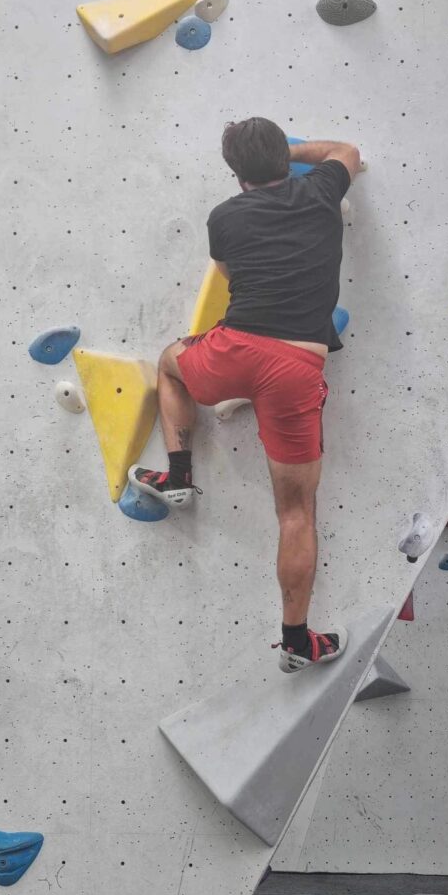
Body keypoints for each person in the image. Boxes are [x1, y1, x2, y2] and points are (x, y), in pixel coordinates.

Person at [129, 117, 362, 673]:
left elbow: (232, 274)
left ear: (236, 176)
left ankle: (180, 475)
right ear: (288, 158)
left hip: (233, 350)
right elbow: (348, 149)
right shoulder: (323, 187)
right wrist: (299, 152)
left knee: (168, 364)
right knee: (296, 512)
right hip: (296, 367)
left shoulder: (225, 216)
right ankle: (298, 642)